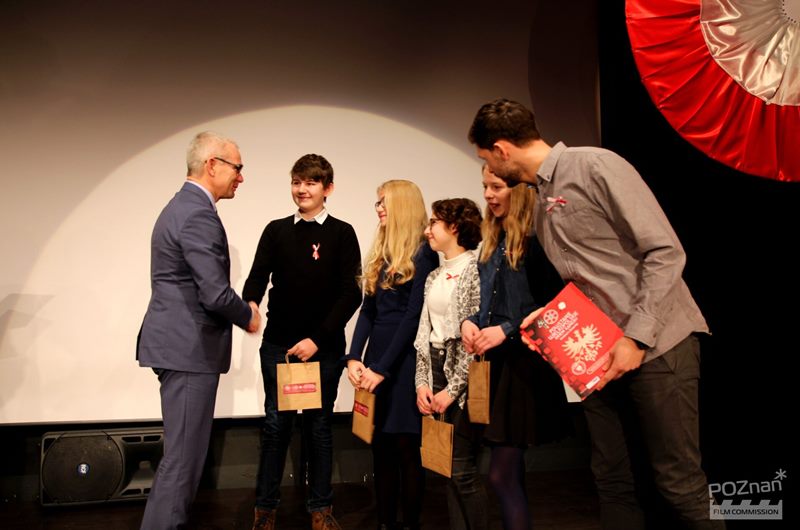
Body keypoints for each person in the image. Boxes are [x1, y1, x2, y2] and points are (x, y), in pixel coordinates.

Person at [468, 98, 722, 530]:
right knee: (612, 479)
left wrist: (636, 338)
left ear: (502, 150)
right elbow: (590, 279)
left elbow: (665, 252)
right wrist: (548, 315)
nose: (489, 170)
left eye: (486, 158)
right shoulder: (540, 198)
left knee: (679, 483)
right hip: (600, 356)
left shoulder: (595, 166)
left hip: (659, 345)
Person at [137, 131, 260, 529]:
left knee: (182, 459)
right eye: (237, 167)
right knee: (183, 462)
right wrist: (248, 315)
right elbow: (214, 293)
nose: (241, 176)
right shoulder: (196, 214)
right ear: (212, 165)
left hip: (180, 348)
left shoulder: (184, 207)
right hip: (187, 350)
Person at [242, 154, 362, 530]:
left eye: (310, 183)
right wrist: (249, 304)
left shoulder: (342, 233)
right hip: (279, 347)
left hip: (323, 350)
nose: (302, 189)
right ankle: (265, 510)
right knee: (276, 427)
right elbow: (257, 276)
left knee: (319, 428)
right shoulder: (276, 230)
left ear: (328, 189)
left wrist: (317, 339)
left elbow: (351, 294)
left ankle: (320, 509)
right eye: (297, 182)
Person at [460, 166, 571, 530]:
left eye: (496, 187)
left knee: (501, 476)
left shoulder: (537, 241)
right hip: (494, 366)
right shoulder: (493, 241)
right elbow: (488, 301)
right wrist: (471, 322)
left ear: (519, 191)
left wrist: (505, 330)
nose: (488, 195)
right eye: (485, 187)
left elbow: (554, 304)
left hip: (522, 369)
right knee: (509, 474)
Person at [345, 180, 439, 530]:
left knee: (406, 449)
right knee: (380, 448)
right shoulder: (383, 251)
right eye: (377, 203)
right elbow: (368, 311)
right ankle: (385, 523)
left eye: (384, 202)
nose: (379, 208)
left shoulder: (423, 253)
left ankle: (410, 524)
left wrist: (382, 368)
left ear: (402, 205)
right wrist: (354, 357)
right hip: (377, 362)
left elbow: (413, 318)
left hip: (404, 363)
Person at [413, 198, 488, 530]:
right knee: (446, 468)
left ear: (454, 227)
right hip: (436, 370)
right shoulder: (434, 275)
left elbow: (473, 340)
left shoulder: (476, 269)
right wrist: (422, 383)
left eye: (434, 223)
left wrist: (453, 389)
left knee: (462, 469)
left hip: (463, 378)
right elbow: (424, 334)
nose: (428, 230)